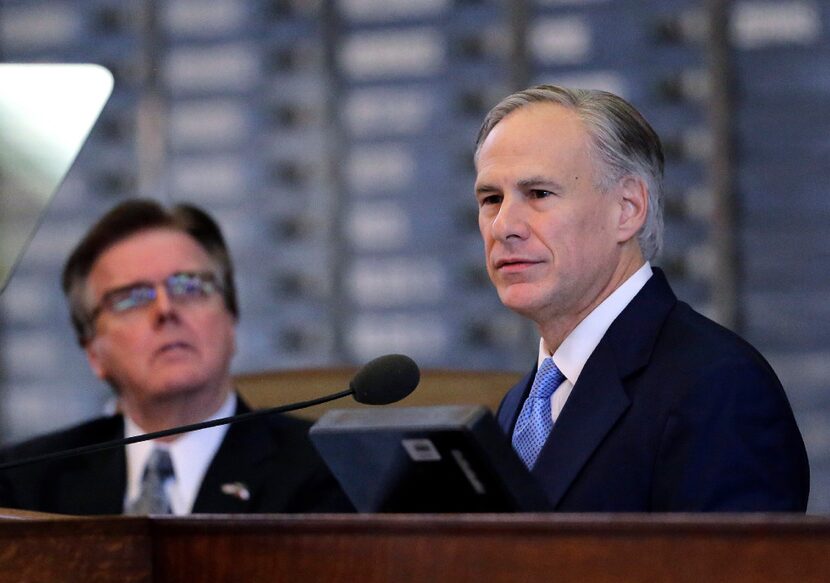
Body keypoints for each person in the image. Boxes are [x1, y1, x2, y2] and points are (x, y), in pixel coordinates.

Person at [474, 84, 809, 511]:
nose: (504, 226)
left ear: (628, 209)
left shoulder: (718, 386)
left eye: (539, 194)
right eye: (491, 199)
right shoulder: (520, 402)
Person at [0, 199, 352, 515]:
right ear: (94, 352)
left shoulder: (328, 473)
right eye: (132, 298)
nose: (166, 309)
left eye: (190, 286)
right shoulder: (26, 482)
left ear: (231, 319)